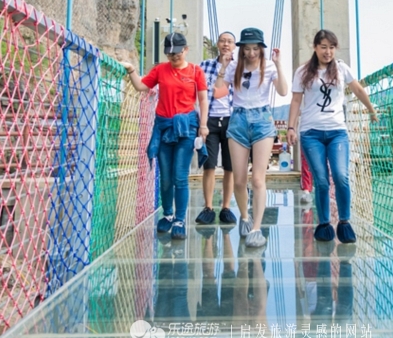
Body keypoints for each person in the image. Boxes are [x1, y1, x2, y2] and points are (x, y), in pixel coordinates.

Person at [287, 30, 378, 244]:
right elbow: (296, 101)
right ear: (315, 47)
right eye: (324, 47)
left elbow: (357, 89)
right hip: (311, 133)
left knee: (340, 176)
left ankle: (345, 222)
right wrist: (291, 127)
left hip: (337, 131)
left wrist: (371, 110)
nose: (328, 52)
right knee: (321, 180)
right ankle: (324, 224)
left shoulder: (341, 69)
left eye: (332, 47)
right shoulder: (303, 72)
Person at [121, 32, 208, 240]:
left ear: (185, 50)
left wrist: (203, 125)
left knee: (180, 176)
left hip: (186, 128)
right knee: (166, 177)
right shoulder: (160, 70)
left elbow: (203, 100)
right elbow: (142, 86)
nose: (174, 57)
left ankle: (179, 219)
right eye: (170, 54)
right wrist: (132, 70)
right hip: (164, 127)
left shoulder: (196, 71)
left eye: (177, 53)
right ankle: (167, 215)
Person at [214, 28, 288, 248]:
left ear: (261, 49)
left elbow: (283, 91)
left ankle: (257, 228)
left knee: (257, 179)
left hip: (262, 120)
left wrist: (279, 63)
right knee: (239, 180)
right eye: (247, 48)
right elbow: (218, 93)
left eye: (256, 48)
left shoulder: (269, 66)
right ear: (242, 49)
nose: (252, 53)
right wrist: (224, 68)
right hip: (238, 120)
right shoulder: (235, 67)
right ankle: (245, 217)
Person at [196, 31, 238, 226]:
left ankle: (226, 207)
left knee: (230, 167)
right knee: (209, 165)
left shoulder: (239, 67)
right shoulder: (204, 66)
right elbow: (202, 94)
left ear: (235, 45)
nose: (226, 44)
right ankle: (208, 207)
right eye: (222, 41)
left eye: (230, 41)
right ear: (218, 44)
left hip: (232, 120)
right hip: (210, 120)